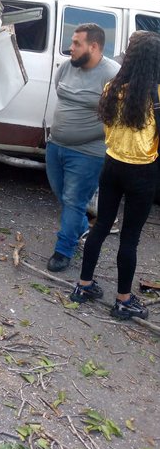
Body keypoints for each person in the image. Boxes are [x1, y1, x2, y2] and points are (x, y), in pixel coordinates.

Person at [70, 31, 160, 320]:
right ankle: (122, 300)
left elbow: (108, 128)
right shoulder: (157, 94)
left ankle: (84, 286)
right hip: (143, 172)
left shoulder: (111, 87)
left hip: (111, 166)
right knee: (130, 239)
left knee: (101, 227)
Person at [46, 23, 120, 272]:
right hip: (56, 146)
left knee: (74, 200)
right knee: (62, 195)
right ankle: (82, 229)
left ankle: (64, 250)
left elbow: (119, 117)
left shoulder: (112, 75)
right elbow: (60, 92)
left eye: (77, 44)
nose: (71, 48)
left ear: (94, 46)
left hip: (89, 153)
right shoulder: (67, 67)